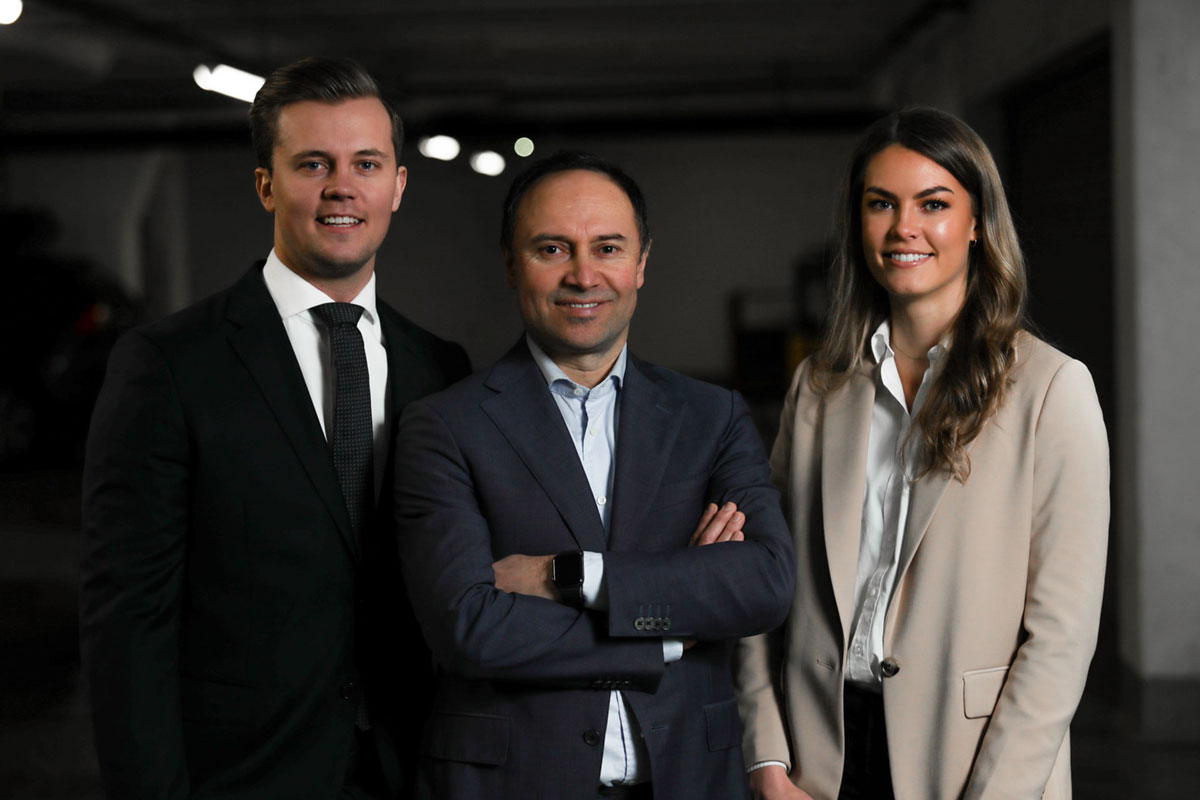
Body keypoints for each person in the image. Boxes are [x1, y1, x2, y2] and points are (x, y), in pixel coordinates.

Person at [79, 56, 470, 799]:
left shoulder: (441, 369)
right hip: (245, 777)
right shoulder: (167, 366)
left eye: (366, 163)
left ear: (397, 186)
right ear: (266, 184)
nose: (341, 187)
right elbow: (127, 624)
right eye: (312, 164)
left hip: (413, 769)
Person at [734, 107, 1109, 800]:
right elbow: (763, 585)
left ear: (976, 222)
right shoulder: (817, 389)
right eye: (881, 204)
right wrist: (765, 758)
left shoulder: (1052, 389)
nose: (904, 227)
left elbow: (1061, 637)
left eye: (933, 204)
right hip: (821, 760)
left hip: (976, 764)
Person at [394, 151, 795, 799]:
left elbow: (764, 584)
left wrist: (571, 576)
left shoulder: (710, 417)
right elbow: (469, 628)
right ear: (510, 264)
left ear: (640, 264)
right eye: (552, 248)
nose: (584, 275)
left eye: (607, 247)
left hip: (689, 779)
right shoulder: (444, 425)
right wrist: (670, 625)